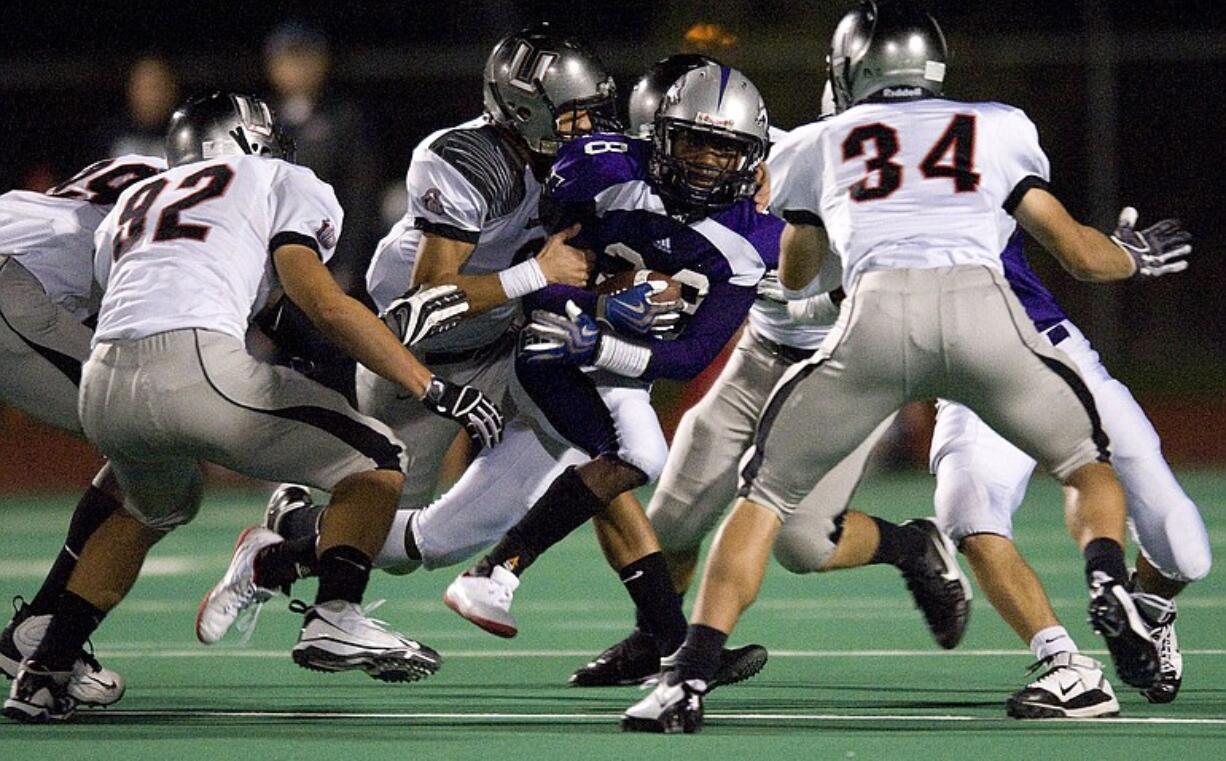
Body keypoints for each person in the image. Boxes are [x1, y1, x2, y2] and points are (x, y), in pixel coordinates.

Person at [622, 1, 1193, 733]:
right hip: (986, 312)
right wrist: (1136, 257)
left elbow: (796, 277)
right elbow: (1082, 253)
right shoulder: (1000, 124)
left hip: (877, 319)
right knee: (1087, 460)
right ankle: (1107, 577)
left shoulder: (821, 140)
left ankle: (687, 678)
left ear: (849, 70)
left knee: (762, 497)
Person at [2, 92, 496, 723]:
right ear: (246, 142)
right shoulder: (281, 177)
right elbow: (321, 304)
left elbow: (133, 292)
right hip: (195, 365)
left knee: (156, 500)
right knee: (377, 454)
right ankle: (336, 615)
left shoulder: (134, 200)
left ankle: (42, 671)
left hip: (103, 382)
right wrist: (429, 385)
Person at [570, 56, 972, 688]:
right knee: (672, 521)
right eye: (672, 148)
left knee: (803, 545)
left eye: (709, 148)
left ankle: (914, 547)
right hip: (761, 354)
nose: (690, 166)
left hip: (844, 368)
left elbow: (890, 283)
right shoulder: (654, 180)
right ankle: (660, 640)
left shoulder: (817, 167)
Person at [0, 153, 165, 711]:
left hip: (23, 277)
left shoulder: (137, 169)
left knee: (146, 444)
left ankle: (39, 629)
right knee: (156, 443)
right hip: (13, 280)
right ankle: (45, 636)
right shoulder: (183, 190)